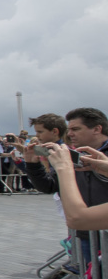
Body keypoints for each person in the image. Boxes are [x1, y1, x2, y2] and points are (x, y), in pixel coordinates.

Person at [25, 108, 108, 265]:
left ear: (97, 129)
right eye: (69, 129)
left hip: (99, 227)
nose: (69, 134)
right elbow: (50, 186)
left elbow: (76, 218)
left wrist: (64, 169)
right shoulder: (72, 155)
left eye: (76, 129)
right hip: (86, 234)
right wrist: (32, 165)